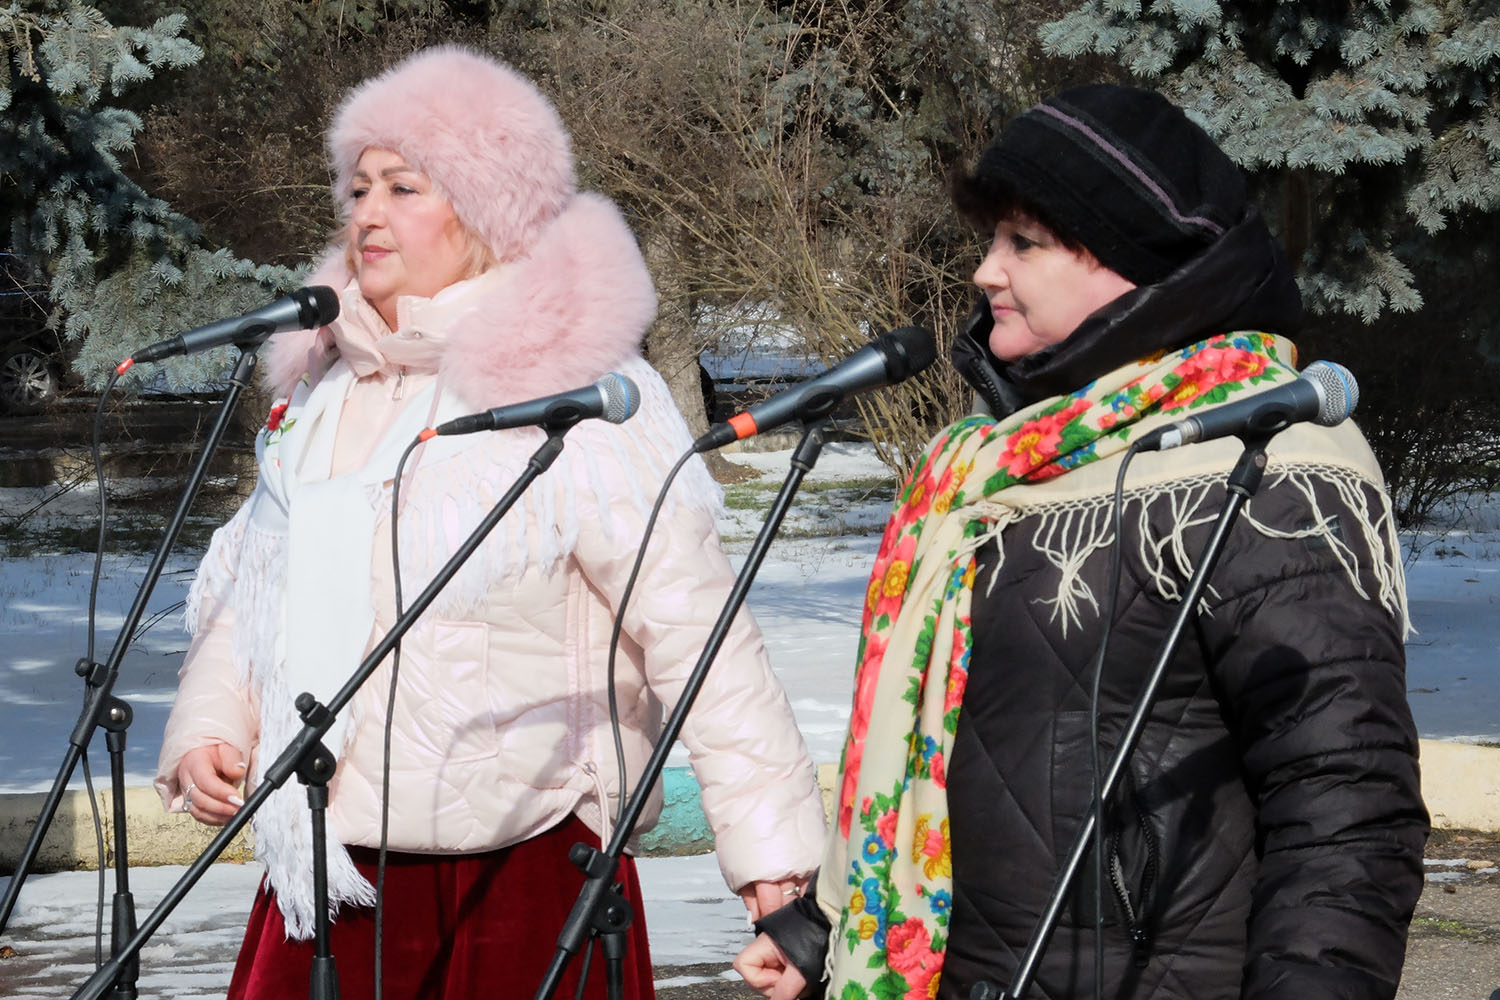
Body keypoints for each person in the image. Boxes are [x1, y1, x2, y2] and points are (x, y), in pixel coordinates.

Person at [154, 45, 826, 1000]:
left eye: (404, 187)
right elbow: (258, 595)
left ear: (487, 209)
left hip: (525, 881)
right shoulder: (328, 390)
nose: (367, 214)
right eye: (358, 189)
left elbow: (700, 638)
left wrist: (775, 874)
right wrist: (208, 730)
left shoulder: (577, 388)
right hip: (331, 872)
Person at [735, 84, 1428, 999]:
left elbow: (1344, 800)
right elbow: (958, 759)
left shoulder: (1264, 465)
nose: (986, 272)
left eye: (1023, 242)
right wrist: (826, 929)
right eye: (992, 239)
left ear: (1133, 259)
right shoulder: (995, 470)